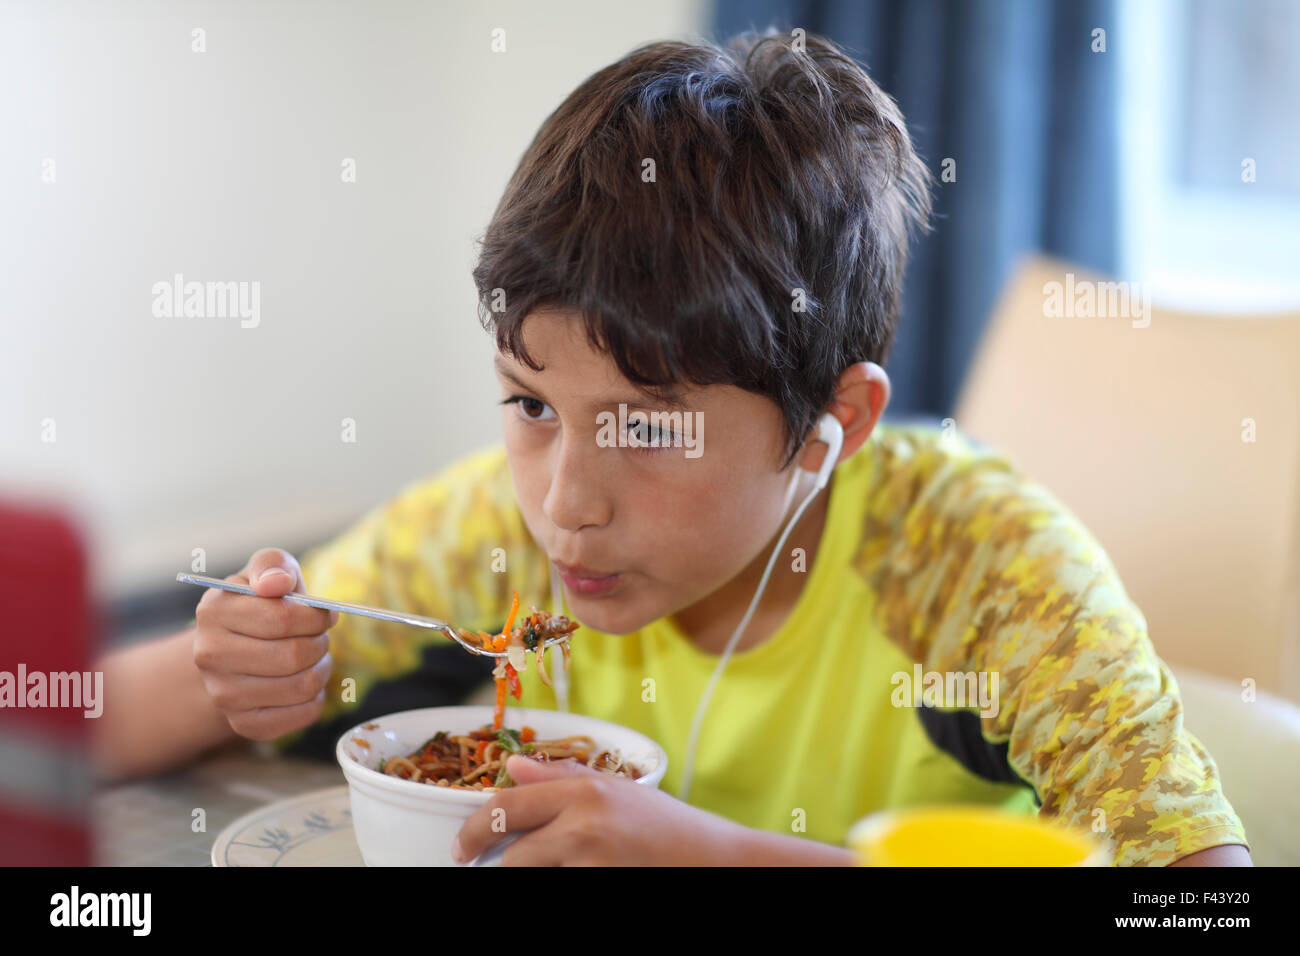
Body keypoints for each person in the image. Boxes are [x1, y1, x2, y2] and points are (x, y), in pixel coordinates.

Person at [94, 28, 1251, 866]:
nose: (566, 508)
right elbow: (92, 719)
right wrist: (231, 662)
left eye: (648, 425)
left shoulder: (969, 568)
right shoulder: (492, 541)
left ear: (830, 423)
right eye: (531, 404)